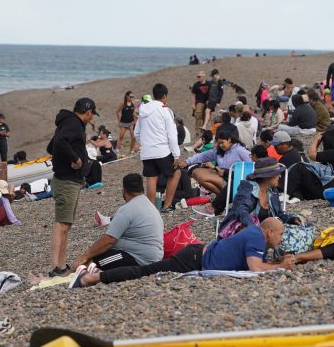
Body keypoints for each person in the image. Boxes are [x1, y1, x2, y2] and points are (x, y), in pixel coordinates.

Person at [72, 218, 286, 288]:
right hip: (192, 260)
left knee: (146, 270)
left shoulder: (256, 236)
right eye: (281, 234)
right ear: (269, 232)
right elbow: (256, 268)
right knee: (143, 272)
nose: (282, 238)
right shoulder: (256, 237)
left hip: (197, 255)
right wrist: (280, 267)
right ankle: (92, 277)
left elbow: (255, 262)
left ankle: (93, 273)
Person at [71, 173, 164, 271]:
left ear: (124, 190)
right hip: (155, 255)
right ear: (142, 189)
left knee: (90, 263)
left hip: (141, 258)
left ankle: (68, 276)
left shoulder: (127, 209)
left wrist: (85, 256)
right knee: (97, 254)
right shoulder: (149, 205)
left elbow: (109, 240)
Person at [47, 97, 97, 276]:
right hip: (66, 181)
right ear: (88, 112)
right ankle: (55, 267)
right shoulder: (74, 123)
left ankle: (61, 265)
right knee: (61, 225)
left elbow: (51, 146)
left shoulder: (68, 122)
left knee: (66, 224)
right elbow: (59, 143)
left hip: (69, 180)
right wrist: (75, 159)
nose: (92, 119)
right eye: (92, 116)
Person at [135, 83, 182, 212]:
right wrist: (176, 154)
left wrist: (145, 143)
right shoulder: (165, 110)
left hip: (147, 151)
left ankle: (151, 210)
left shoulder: (143, 110)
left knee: (151, 177)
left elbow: (136, 133)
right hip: (162, 150)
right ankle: (166, 206)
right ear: (165, 96)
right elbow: (172, 134)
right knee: (176, 172)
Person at [181, 123, 252, 199]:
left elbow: (253, 166)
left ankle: (225, 198)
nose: (220, 145)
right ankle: (223, 197)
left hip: (235, 182)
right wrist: (187, 162)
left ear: (230, 139)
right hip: (224, 179)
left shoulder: (240, 150)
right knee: (196, 172)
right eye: (219, 143)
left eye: (222, 142)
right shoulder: (220, 150)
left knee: (202, 176)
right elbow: (203, 156)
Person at [221, 158, 288, 230]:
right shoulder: (247, 189)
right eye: (277, 174)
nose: (280, 176)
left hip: (265, 232)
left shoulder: (273, 192)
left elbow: (279, 214)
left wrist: (291, 219)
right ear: (267, 176)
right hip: (242, 232)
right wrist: (254, 229)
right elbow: (241, 212)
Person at [286, 127, 334, 201]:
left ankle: (286, 194)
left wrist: (316, 140)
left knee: (300, 167)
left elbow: (311, 155)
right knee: (306, 174)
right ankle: (296, 195)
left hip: (332, 187)